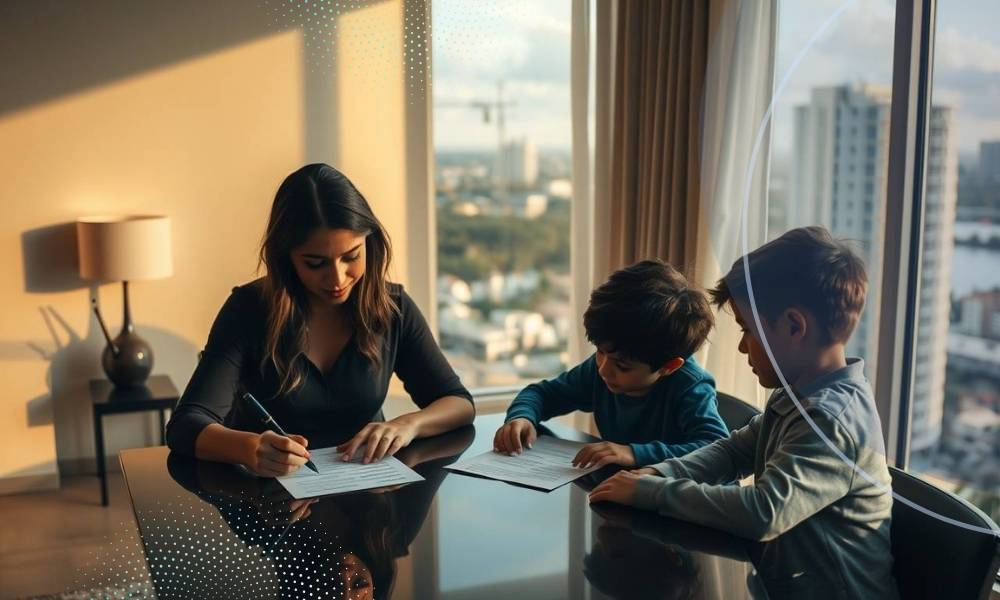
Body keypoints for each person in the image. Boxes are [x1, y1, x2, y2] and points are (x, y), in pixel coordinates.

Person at [589, 226, 899, 599]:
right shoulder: (797, 394)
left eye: (746, 329)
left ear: (793, 326)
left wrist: (652, 492)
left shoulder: (831, 419)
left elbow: (764, 512)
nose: (740, 347)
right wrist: (656, 472)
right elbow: (733, 451)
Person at [166, 164, 475, 476]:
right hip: (272, 504)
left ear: (370, 243)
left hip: (365, 496)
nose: (337, 278)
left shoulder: (392, 307)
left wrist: (408, 425)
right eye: (315, 263)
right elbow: (186, 425)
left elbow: (458, 403)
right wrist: (251, 448)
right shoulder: (247, 310)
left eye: (352, 257)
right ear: (286, 258)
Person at [494, 259, 729, 469]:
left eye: (623, 366)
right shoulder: (602, 368)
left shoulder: (689, 386)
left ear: (669, 367)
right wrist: (522, 417)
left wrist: (634, 453)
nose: (604, 369)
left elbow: (716, 451)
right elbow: (543, 393)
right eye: (599, 352)